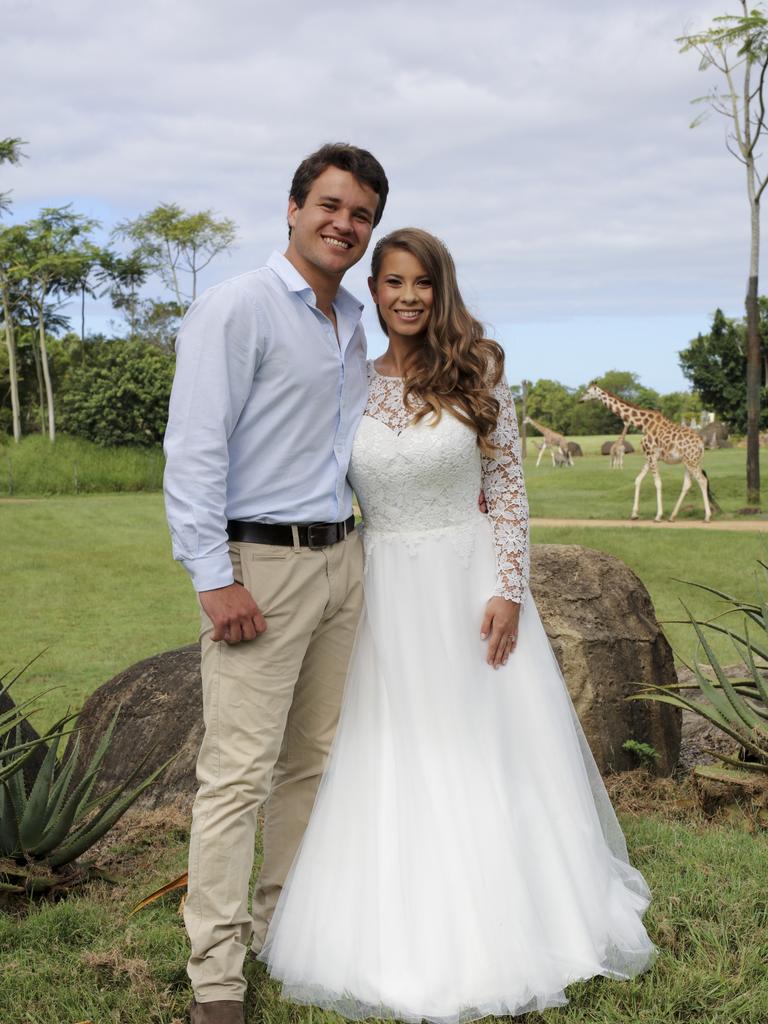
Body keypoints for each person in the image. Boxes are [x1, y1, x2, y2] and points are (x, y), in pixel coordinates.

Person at [259, 228, 656, 1023]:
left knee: (485, 742)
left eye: (423, 282)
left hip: (472, 583)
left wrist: (509, 588)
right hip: (384, 593)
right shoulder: (349, 385)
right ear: (371, 291)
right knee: (393, 746)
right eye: (393, 281)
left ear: (442, 290)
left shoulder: (482, 373)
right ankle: (397, 918)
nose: (408, 296)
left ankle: (521, 911)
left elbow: (509, 490)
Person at [163, 143, 389, 1024]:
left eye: (361, 214)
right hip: (260, 566)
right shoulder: (239, 307)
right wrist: (215, 579)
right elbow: (194, 450)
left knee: (313, 763)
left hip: (343, 563)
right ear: (292, 208)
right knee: (236, 777)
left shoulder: (352, 323)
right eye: (330, 205)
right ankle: (216, 977)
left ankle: (279, 926)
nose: (344, 224)